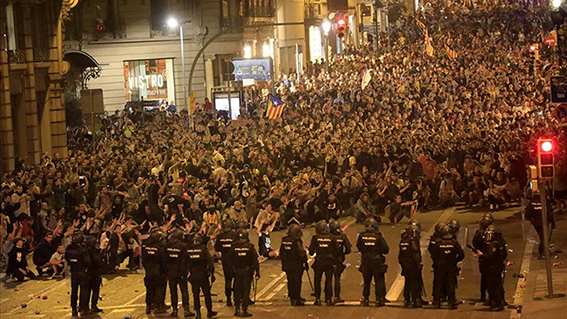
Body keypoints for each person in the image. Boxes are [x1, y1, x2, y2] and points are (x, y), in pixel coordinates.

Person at [430, 225, 464, 309]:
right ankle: (451, 302)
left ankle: (437, 302)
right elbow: (461, 254)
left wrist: (437, 261)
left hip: (440, 266)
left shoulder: (438, 242)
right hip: (451, 266)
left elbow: (433, 254)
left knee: (438, 283)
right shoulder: (453, 242)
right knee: (451, 284)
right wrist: (455, 261)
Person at [356, 217, 389, 307]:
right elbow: (385, 249)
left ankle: (366, 299)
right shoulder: (378, 236)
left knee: (367, 281)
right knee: (378, 280)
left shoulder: (361, 236)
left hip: (366, 261)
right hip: (376, 261)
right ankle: (379, 299)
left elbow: (359, 247)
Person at [228, 229, 260, 317]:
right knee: (246, 291)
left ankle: (237, 309)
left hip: (237, 271)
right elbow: (255, 261)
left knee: (237, 290)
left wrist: (232, 272)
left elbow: (229, 261)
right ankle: (244, 310)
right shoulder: (250, 247)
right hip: (247, 272)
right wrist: (257, 272)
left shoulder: (233, 247)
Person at [186, 232, 217, 319]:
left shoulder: (187, 249)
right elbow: (210, 262)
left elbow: (184, 262)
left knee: (195, 294)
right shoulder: (203, 249)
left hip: (193, 274)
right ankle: (209, 311)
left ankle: (198, 313)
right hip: (203, 274)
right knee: (207, 293)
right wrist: (212, 273)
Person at [308, 220, 337, 306]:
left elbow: (311, 251)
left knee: (317, 280)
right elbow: (337, 250)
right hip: (329, 261)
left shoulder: (316, 237)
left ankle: (317, 299)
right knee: (329, 280)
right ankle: (328, 299)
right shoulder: (332, 237)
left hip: (319, 261)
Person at [166, 228, 193, 317]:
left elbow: (165, 259)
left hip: (171, 272)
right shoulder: (183, 246)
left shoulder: (168, 246)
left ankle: (174, 310)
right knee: (184, 290)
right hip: (181, 272)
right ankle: (186, 310)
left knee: (173, 291)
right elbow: (185, 260)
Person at [479, 225, 507, 311]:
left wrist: (481, 255)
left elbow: (490, 256)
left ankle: (498, 303)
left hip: (493, 268)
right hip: (495, 267)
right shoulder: (499, 243)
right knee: (496, 285)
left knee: (494, 286)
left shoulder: (494, 245)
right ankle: (497, 302)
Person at [280, 223, 308, 306]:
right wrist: (305, 262)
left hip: (287, 264)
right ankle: (297, 298)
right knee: (297, 281)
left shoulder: (284, 240)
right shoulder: (296, 241)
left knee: (290, 281)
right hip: (296, 264)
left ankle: (292, 298)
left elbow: (281, 252)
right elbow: (301, 253)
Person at [142, 228, 168, 315]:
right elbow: (163, 261)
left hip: (149, 272)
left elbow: (143, 261)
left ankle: (148, 306)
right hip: (158, 272)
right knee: (159, 289)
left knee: (149, 290)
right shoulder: (160, 248)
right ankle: (159, 307)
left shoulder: (146, 247)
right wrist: (164, 271)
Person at [65, 231, 90, 317]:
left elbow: (67, 258)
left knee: (74, 291)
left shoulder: (69, 248)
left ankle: (73, 308)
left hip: (73, 271)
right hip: (82, 272)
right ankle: (82, 308)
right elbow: (87, 262)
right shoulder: (82, 250)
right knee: (83, 291)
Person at [214, 218, 237, 307]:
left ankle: (228, 300)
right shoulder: (234, 235)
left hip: (225, 260)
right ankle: (236, 298)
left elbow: (217, 248)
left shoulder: (220, 236)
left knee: (227, 280)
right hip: (234, 260)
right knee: (236, 280)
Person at [525, 194, 555, 259]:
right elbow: (550, 213)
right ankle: (541, 252)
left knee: (542, 236)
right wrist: (553, 223)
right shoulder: (545, 202)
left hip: (535, 222)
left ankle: (543, 250)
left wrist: (532, 220)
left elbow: (527, 213)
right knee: (543, 237)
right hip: (543, 222)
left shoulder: (531, 203)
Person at [399, 225, 422, 308]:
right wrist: (419, 264)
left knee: (407, 282)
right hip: (412, 265)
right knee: (414, 283)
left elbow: (400, 256)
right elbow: (415, 253)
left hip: (405, 265)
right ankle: (415, 300)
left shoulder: (403, 241)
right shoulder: (412, 241)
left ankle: (406, 299)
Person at [473, 214, 493, 303]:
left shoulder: (478, 233)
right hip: (491, 257)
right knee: (492, 278)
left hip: (482, 256)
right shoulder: (494, 232)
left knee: (484, 277)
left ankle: (483, 295)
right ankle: (491, 296)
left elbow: (475, 244)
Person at [329, 220, 351, 303]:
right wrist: (342, 254)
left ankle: (328, 297)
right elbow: (348, 249)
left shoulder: (328, 236)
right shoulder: (342, 236)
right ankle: (337, 296)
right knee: (337, 278)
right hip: (339, 259)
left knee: (329, 279)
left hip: (329, 259)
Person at [83, 236, 104, 314]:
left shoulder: (86, 251)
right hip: (93, 274)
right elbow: (97, 262)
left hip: (90, 274)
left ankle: (91, 306)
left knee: (91, 291)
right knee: (93, 291)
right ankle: (90, 307)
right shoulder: (92, 252)